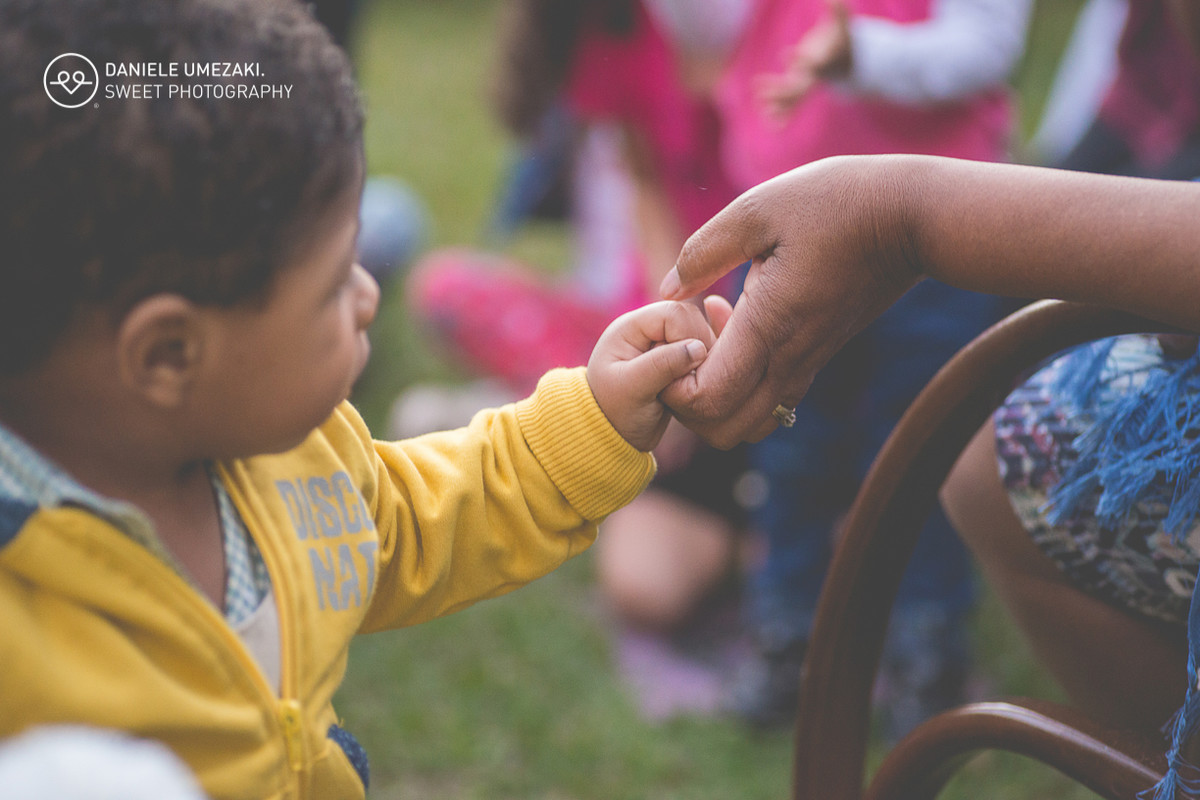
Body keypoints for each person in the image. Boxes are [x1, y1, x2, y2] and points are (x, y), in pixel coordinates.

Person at [0, 2, 719, 799]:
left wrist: (593, 422)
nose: (370, 296)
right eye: (334, 283)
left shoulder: (294, 455)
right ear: (169, 355)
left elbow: (414, 519)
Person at [656, 152, 1200, 799]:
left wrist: (900, 213)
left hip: (930, 266)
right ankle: (789, 635)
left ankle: (926, 652)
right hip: (834, 218)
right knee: (868, 459)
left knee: (953, 443)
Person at [707, 0, 1030, 732]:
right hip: (785, 208)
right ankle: (789, 636)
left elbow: (985, 44)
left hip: (940, 228)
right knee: (787, 436)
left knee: (923, 442)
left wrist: (865, 56)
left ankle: (926, 646)